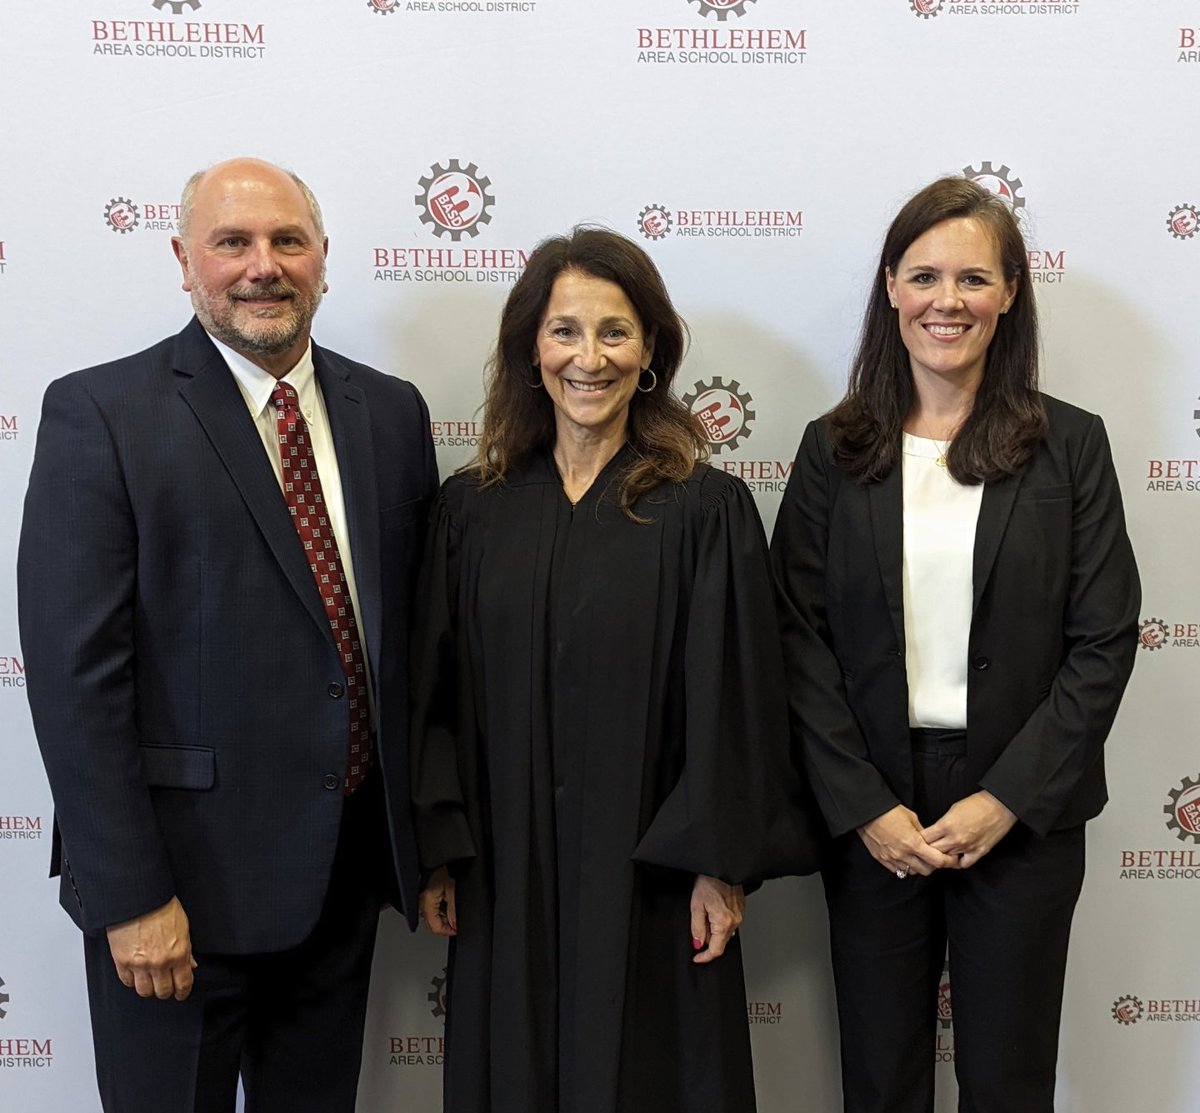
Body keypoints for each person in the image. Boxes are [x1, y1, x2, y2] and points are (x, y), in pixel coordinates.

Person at [17, 157, 437, 1113]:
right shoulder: (102, 414)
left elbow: (405, 646)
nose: (264, 266)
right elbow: (77, 684)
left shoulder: (394, 414)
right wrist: (130, 899)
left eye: (288, 240)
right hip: (176, 908)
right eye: (232, 242)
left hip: (339, 890)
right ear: (183, 261)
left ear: (324, 259)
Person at [411, 227, 818, 1113]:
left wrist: (719, 865)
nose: (587, 357)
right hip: (504, 873)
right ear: (530, 349)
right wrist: (439, 851)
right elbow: (432, 695)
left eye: (614, 332)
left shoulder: (705, 511)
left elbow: (735, 700)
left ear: (650, 354)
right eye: (564, 331)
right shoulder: (470, 514)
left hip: (653, 878)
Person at [771, 176, 1140, 1113]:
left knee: (1008, 1082)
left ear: (1011, 292)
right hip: (875, 812)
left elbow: (1103, 640)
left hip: (1020, 815)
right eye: (925, 275)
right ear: (891, 285)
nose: (948, 301)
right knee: (880, 1078)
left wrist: (1005, 799)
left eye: (973, 278)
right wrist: (864, 806)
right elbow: (794, 638)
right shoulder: (833, 449)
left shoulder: (1073, 447)